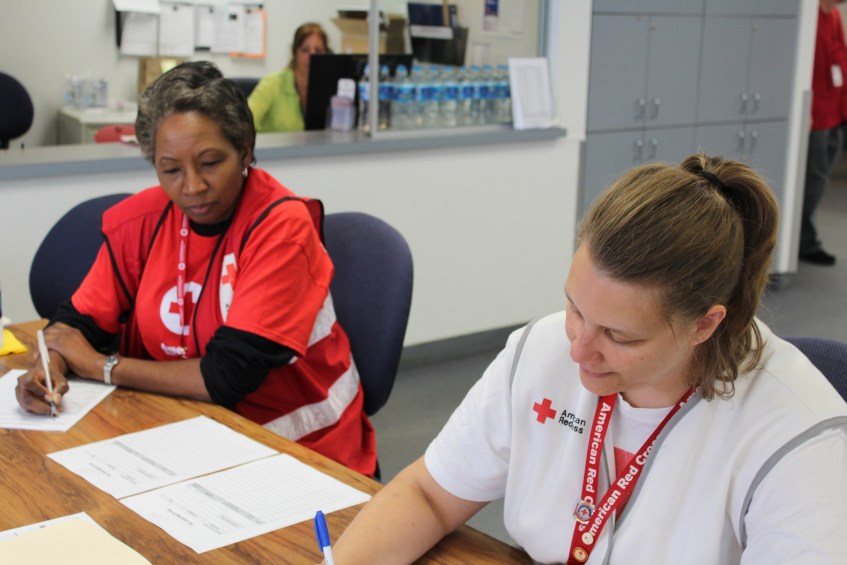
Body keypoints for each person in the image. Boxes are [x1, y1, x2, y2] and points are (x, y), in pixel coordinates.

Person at [331, 154, 847, 564]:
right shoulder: (542, 350)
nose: (577, 348)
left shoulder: (797, 438)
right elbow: (428, 494)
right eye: (575, 308)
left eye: (619, 336)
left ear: (704, 325)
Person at [16, 61, 376, 477]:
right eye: (171, 170)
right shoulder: (143, 221)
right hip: (187, 431)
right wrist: (49, 368)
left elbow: (226, 376)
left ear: (244, 150)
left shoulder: (281, 227)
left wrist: (100, 366)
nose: (192, 187)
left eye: (210, 163)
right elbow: (76, 326)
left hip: (304, 450)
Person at [800, 0, 847, 266]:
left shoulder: (835, 17)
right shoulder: (810, 14)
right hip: (816, 115)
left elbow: (841, 61)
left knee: (820, 178)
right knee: (814, 179)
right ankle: (806, 241)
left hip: (835, 112)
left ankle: (805, 237)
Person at [248, 23, 329, 133]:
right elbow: (243, 123)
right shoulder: (272, 84)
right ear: (295, 53)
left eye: (318, 50)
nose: (312, 56)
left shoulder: (330, 88)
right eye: (305, 50)